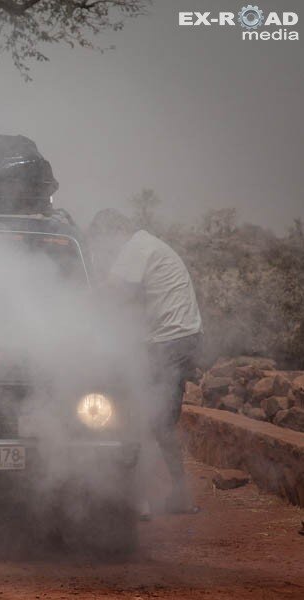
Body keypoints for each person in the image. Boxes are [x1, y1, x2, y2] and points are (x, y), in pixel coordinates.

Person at [88, 208, 202, 517]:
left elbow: (112, 293)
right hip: (180, 339)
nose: (106, 249)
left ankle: (135, 499)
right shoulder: (149, 246)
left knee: (135, 411)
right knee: (161, 421)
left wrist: (74, 301)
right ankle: (178, 495)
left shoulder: (136, 247)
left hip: (169, 342)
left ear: (115, 232)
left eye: (103, 241)